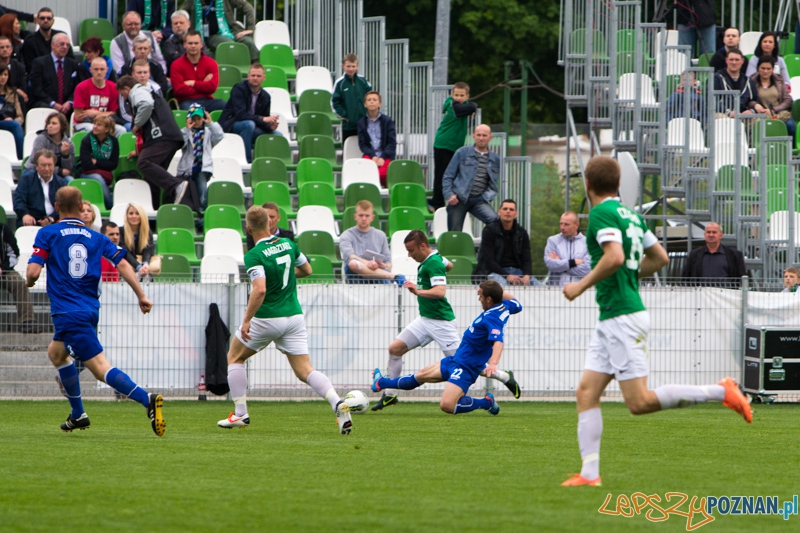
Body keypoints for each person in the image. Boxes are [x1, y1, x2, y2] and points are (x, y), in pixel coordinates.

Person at [560, 156, 751, 487]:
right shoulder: (631, 214)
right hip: (614, 317)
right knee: (586, 392)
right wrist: (627, 273)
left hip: (623, 316)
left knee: (639, 402)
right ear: (618, 185)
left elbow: (615, 257)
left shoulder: (601, 213)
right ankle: (589, 474)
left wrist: (580, 285)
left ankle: (720, 392)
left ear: (587, 185)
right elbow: (659, 258)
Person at [26, 186, 165, 436]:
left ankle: (148, 399)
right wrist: (141, 295)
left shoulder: (48, 233)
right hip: (89, 309)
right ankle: (78, 414)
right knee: (56, 353)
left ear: (56, 208)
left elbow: (33, 272)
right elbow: (122, 263)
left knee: (100, 368)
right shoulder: (97, 237)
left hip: (68, 312)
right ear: (82, 208)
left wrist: (29, 281)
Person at [217, 205, 353, 434]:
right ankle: (337, 403)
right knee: (305, 371)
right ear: (270, 224)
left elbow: (259, 290)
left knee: (234, 357)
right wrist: (285, 276)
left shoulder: (254, 255)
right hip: (294, 317)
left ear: (248, 228)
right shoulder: (288, 244)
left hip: (267, 318)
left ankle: (240, 414)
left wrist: (247, 318)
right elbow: (307, 269)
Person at [372, 230, 519, 411]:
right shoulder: (435, 259)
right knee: (395, 348)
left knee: (463, 362)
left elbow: (440, 291)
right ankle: (389, 394)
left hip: (441, 323)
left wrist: (418, 291)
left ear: (423, 246)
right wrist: (443, 266)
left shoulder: (432, 263)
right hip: (425, 319)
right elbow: (449, 265)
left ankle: (502, 377)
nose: (409, 255)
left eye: (411, 251)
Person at [372, 280, 521, 416]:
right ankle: (381, 383)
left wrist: (493, 363)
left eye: (481, 296)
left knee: (447, 405)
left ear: (489, 299)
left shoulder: (492, 318)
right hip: (456, 359)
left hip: (466, 367)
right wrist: (498, 292)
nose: (479, 299)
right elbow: (516, 302)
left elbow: (498, 342)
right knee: (421, 375)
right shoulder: (506, 305)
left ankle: (486, 402)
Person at [117, 74, 194, 208]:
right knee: (152, 179)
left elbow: (146, 105)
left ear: (127, 88)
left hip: (161, 137)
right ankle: (155, 214)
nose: (124, 98)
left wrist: (137, 124)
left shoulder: (138, 91)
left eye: (122, 94)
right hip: (170, 138)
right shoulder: (150, 91)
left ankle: (176, 184)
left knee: (144, 163)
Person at [442, 124, 501, 231]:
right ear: (473, 136)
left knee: (496, 222)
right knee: (454, 231)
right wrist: (449, 195)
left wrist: (487, 197)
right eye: (478, 135)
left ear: (490, 138)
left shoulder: (495, 159)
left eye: (484, 135)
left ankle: (488, 246)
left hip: (479, 199)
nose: (481, 138)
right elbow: (448, 175)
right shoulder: (462, 152)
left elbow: (494, 182)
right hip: (459, 198)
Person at [219, 62, 280, 163]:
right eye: (253, 75)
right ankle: (246, 161)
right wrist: (262, 119)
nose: (255, 78)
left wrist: (269, 126)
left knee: (277, 134)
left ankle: (267, 164)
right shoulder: (239, 89)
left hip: (251, 127)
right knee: (249, 124)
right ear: (248, 76)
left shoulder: (266, 96)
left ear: (263, 78)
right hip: (231, 125)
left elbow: (263, 119)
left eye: (258, 76)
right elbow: (240, 114)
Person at [430, 82, 477, 211]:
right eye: (456, 95)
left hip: (455, 146)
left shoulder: (463, 106)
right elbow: (471, 108)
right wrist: (473, 106)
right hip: (443, 144)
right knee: (441, 174)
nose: (458, 98)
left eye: (462, 95)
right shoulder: (453, 105)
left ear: (467, 96)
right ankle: (436, 202)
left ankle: (450, 200)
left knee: (454, 174)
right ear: (452, 95)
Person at [474, 199, 540, 286]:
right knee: (502, 287)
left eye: (511, 209)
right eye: (505, 209)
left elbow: (526, 259)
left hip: (518, 272)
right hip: (495, 272)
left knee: (543, 289)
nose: (508, 211)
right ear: (499, 212)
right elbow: (488, 260)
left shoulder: (522, 233)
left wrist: (527, 275)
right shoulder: (489, 231)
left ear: (516, 214)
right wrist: (506, 275)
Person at [177, 103, 223, 209]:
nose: (197, 121)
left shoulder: (208, 133)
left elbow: (219, 135)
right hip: (187, 169)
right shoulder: (185, 132)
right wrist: (187, 129)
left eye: (199, 118)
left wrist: (211, 123)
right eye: (194, 118)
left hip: (202, 169)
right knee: (186, 194)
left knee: (202, 195)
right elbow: (179, 143)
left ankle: (202, 214)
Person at [181, 0, 258, 62]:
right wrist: (185, 32)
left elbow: (247, 6)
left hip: (231, 30)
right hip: (210, 35)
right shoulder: (191, 1)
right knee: (228, 44)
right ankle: (234, 70)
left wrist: (250, 28)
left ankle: (255, 70)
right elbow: (181, 15)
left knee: (249, 42)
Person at [339, 200, 395, 284]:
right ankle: (393, 277)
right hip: (355, 275)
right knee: (353, 263)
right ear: (355, 216)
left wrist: (385, 266)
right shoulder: (346, 235)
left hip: (377, 273)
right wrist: (368, 263)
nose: (364, 218)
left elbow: (388, 262)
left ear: (372, 217)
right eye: (361, 215)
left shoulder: (381, 235)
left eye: (367, 215)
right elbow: (350, 256)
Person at [170, 29, 225, 111]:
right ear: (184, 44)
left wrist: (193, 83)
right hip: (187, 101)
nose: (193, 46)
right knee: (195, 111)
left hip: (208, 100)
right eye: (190, 43)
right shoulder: (176, 64)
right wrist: (203, 84)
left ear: (201, 44)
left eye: (196, 43)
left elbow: (212, 87)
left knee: (225, 106)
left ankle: (214, 124)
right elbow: (179, 90)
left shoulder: (211, 63)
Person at [72, 58, 127, 138]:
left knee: (121, 130)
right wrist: (105, 115)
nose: (99, 72)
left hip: (105, 124)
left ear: (106, 70)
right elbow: (78, 116)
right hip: (83, 124)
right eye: (96, 69)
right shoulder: (81, 87)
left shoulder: (113, 87)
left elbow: (114, 113)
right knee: (93, 129)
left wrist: (95, 113)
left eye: (102, 69)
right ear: (91, 70)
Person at [680, 222, 747, 287]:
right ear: (704, 234)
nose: (711, 235)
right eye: (708, 232)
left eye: (714, 232)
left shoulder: (735, 255)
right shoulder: (694, 254)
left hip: (726, 296)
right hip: (700, 296)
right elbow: (686, 277)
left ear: (721, 235)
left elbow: (741, 279)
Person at [0, 219, 37, 332]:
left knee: (18, 282)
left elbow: (14, 253)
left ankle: (27, 321)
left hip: (4, 270)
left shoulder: (3, 229)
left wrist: (3, 268)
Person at [14, 149, 67, 227]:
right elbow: (18, 200)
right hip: (31, 220)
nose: (47, 168)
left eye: (50, 165)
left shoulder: (61, 182)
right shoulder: (27, 179)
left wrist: (52, 218)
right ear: (36, 166)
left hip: (54, 220)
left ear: (54, 165)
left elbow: (64, 205)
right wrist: (25, 214)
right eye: (43, 165)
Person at [28, 33, 78, 114]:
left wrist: (69, 102)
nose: (65, 47)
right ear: (53, 45)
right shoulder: (39, 63)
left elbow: (76, 87)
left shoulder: (73, 64)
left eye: (67, 45)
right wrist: (53, 103)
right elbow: (36, 89)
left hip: (67, 106)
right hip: (45, 103)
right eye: (62, 44)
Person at [79, 115, 120, 209]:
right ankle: (111, 206)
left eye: (99, 125)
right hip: (84, 173)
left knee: (99, 177)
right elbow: (86, 165)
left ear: (106, 129)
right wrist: (104, 166)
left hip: (104, 173)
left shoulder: (114, 141)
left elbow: (114, 164)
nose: (94, 126)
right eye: (94, 124)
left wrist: (96, 162)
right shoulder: (86, 140)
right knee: (98, 178)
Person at [356, 91, 396, 188]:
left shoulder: (387, 121)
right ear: (365, 104)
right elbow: (362, 144)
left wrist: (382, 157)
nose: (372, 102)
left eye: (375, 100)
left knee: (382, 174)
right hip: (370, 155)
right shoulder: (361, 122)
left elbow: (392, 143)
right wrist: (373, 156)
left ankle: (386, 195)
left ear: (380, 103)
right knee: (366, 172)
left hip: (385, 155)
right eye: (369, 100)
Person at [749, 56, 795, 138]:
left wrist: (774, 110)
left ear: (772, 69)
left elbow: (787, 100)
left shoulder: (779, 80)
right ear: (758, 68)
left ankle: (790, 149)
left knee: (791, 126)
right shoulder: (751, 81)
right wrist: (755, 105)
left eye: (768, 68)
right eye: (763, 68)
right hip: (760, 115)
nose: (765, 71)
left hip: (779, 113)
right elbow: (748, 99)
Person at [111, 11, 167, 76]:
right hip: (130, 79)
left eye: (136, 24)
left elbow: (160, 60)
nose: (133, 26)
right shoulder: (116, 42)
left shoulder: (150, 36)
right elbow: (119, 70)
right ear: (123, 25)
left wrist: (162, 75)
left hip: (154, 77)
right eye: (130, 24)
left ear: (140, 24)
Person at [332, 53, 372, 142]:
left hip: (364, 123)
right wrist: (345, 116)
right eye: (348, 66)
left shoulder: (363, 81)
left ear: (357, 66)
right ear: (343, 66)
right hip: (348, 126)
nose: (351, 69)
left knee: (366, 149)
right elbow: (334, 102)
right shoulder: (340, 83)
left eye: (353, 66)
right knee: (348, 149)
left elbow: (371, 98)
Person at [544, 211, 591, 286]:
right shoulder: (553, 241)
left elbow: (587, 269)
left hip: (581, 292)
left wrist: (560, 262)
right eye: (561, 224)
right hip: (556, 291)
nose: (562, 227)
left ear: (576, 225)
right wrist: (573, 262)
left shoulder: (588, 243)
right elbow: (551, 265)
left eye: (566, 224)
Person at [21, 7, 75, 73]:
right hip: (39, 76)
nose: (45, 20)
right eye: (42, 18)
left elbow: (70, 60)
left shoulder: (61, 36)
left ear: (53, 21)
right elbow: (30, 66)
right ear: (37, 20)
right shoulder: (29, 41)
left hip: (60, 74)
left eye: (49, 18)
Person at [24, 112, 74, 178]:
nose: (50, 126)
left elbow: (68, 170)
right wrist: (59, 171)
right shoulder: (41, 139)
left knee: (69, 179)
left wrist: (65, 155)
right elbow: (36, 163)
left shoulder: (68, 143)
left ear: (62, 126)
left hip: (56, 175)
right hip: (34, 171)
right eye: (49, 123)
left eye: (54, 123)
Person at [712, 48, 757, 117]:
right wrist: (729, 112)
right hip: (722, 114)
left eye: (737, 60)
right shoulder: (716, 78)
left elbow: (754, 100)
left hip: (743, 116)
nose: (734, 62)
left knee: (757, 121)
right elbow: (711, 100)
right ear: (726, 60)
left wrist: (751, 111)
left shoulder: (748, 81)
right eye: (731, 60)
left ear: (742, 61)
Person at [119, 202, 157, 279]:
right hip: (128, 265)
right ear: (127, 216)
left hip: (143, 265)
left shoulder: (147, 232)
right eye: (131, 213)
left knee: (146, 275)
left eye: (137, 213)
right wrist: (138, 266)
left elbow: (148, 250)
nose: (134, 216)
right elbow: (125, 251)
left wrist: (145, 263)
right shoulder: (120, 231)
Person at [161, 10, 199, 75]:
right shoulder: (168, 43)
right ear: (172, 26)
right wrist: (194, 56)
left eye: (181, 23)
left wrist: (180, 54)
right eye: (175, 23)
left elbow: (206, 55)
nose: (178, 25)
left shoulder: (196, 39)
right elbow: (174, 60)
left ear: (189, 24)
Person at [0, 63, 23, 159]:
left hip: (8, 123)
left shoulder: (12, 92)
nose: (3, 77)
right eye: (1, 74)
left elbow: (20, 116)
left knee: (16, 125)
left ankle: (20, 158)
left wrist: (13, 120)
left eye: (5, 75)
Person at [0, 35, 28, 107]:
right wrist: (15, 90)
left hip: (15, 100)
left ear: (11, 49)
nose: (5, 49)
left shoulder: (19, 67)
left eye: (7, 47)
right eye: (2, 47)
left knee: (21, 98)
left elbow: (23, 89)